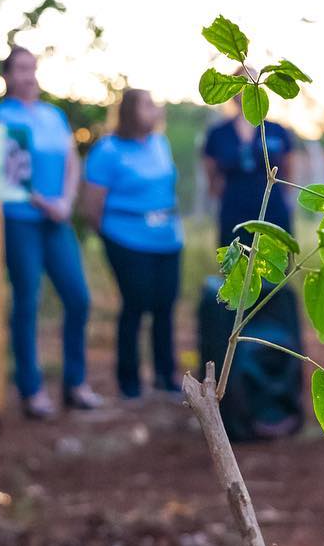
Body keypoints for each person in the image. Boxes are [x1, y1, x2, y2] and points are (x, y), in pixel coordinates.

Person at [0, 47, 104, 417]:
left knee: (78, 297)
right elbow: (8, 174)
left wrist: (66, 201)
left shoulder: (53, 115)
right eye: (21, 69)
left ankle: (76, 383)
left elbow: (72, 161)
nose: (29, 76)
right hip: (20, 219)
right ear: (7, 76)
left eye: (33, 68)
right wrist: (44, 202)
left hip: (58, 220)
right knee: (27, 300)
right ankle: (31, 389)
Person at [82, 89, 185, 399]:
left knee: (165, 306)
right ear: (130, 111)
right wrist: (112, 236)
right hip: (126, 238)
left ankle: (165, 375)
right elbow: (91, 206)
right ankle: (129, 381)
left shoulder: (160, 144)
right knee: (135, 304)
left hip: (167, 239)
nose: (155, 109)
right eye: (148, 104)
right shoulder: (108, 150)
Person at [202, 84, 295, 247]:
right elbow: (211, 173)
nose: (251, 88)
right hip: (234, 213)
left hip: (272, 211)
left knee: (276, 258)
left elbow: (289, 170)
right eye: (245, 84)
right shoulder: (219, 133)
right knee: (235, 259)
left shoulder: (276, 130)